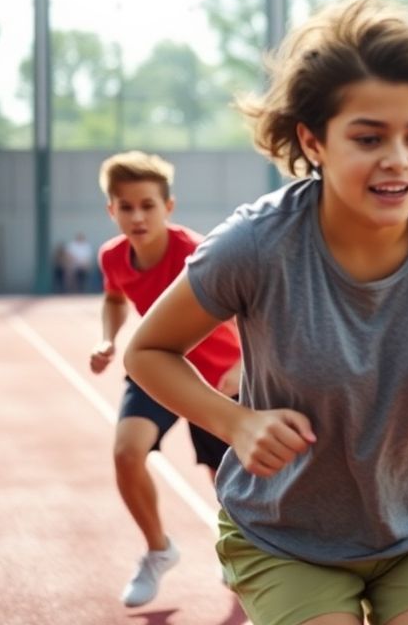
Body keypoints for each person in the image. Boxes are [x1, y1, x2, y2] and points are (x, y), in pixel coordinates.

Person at [124, 0, 408, 625]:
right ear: (313, 140)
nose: (398, 159)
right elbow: (148, 350)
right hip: (285, 534)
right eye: (368, 138)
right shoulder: (255, 245)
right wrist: (235, 423)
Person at [90, 151, 244, 607]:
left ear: (168, 207)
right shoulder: (112, 256)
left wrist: (245, 364)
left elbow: (246, 308)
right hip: (158, 366)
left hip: (217, 378)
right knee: (126, 453)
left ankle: (238, 550)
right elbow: (114, 298)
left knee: (228, 482)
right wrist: (108, 339)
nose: (137, 216)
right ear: (111, 209)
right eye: (126, 206)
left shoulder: (198, 252)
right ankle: (159, 550)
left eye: (147, 205)